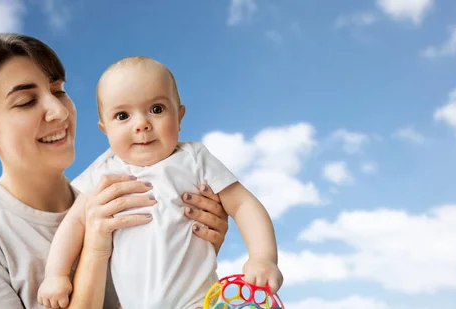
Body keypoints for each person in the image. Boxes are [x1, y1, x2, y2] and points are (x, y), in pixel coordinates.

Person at [0, 33, 231, 309]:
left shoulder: (132, 190)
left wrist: (197, 248)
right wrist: (94, 249)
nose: (59, 111)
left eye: (58, 91)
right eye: (26, 102)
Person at [37, 56, 283, 309]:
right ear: (105, 129)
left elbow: (243, 204)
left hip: (198, 302)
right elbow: (74, 223)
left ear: (179, 116)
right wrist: (56, 274)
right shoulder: (104, 171)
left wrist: (263, 257)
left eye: (156, 109)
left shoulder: (194, 159)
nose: (141, 124)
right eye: (122, 115)